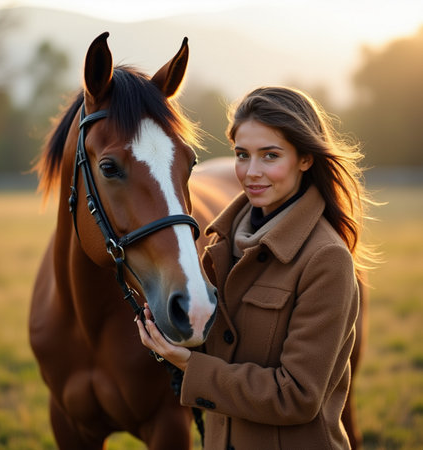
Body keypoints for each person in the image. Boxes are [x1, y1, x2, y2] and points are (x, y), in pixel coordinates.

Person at [137, 86, 375, 449]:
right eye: (242, 155)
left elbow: (297, 396)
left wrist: (191, 367)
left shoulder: (326, 259)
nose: (251, 173)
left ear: (305, 159)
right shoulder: (219, 244)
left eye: (270, 156)